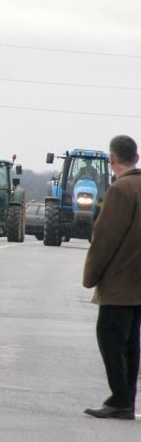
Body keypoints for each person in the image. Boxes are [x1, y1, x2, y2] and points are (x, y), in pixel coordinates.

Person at [82, 135, 141, 420]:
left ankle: (120, 399)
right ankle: (126, 400)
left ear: (112, 160)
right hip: (138, 283)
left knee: (109, 336)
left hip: (120, 280)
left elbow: (105, 238)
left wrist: (90, 277)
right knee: (131, 341)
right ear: (137, 158)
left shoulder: (120, 190)